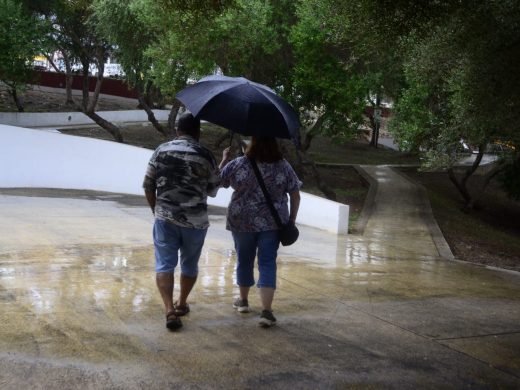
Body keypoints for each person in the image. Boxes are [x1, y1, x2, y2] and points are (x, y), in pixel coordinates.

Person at [143, 112, 222, 331]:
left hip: (165, 219)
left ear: (177, 130)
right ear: (198, 133)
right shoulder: (205, 155)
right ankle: (182, 303)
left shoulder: (161, 150)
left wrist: (156, 210)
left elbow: (148, 185)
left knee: (164, 264)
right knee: (189, 264)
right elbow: (213, 189)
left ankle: (169, 309)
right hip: (195, 222)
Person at [219, 136, 301, 327]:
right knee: (267, 262)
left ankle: (243, 302)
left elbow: (218, 182)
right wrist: (291, 220)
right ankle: (266, 311)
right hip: (272, 224)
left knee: (244, 259)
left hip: (241, 221)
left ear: (252, 144)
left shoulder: (238, 163)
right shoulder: (283, 166)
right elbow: (295, 194)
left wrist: (224, 160)